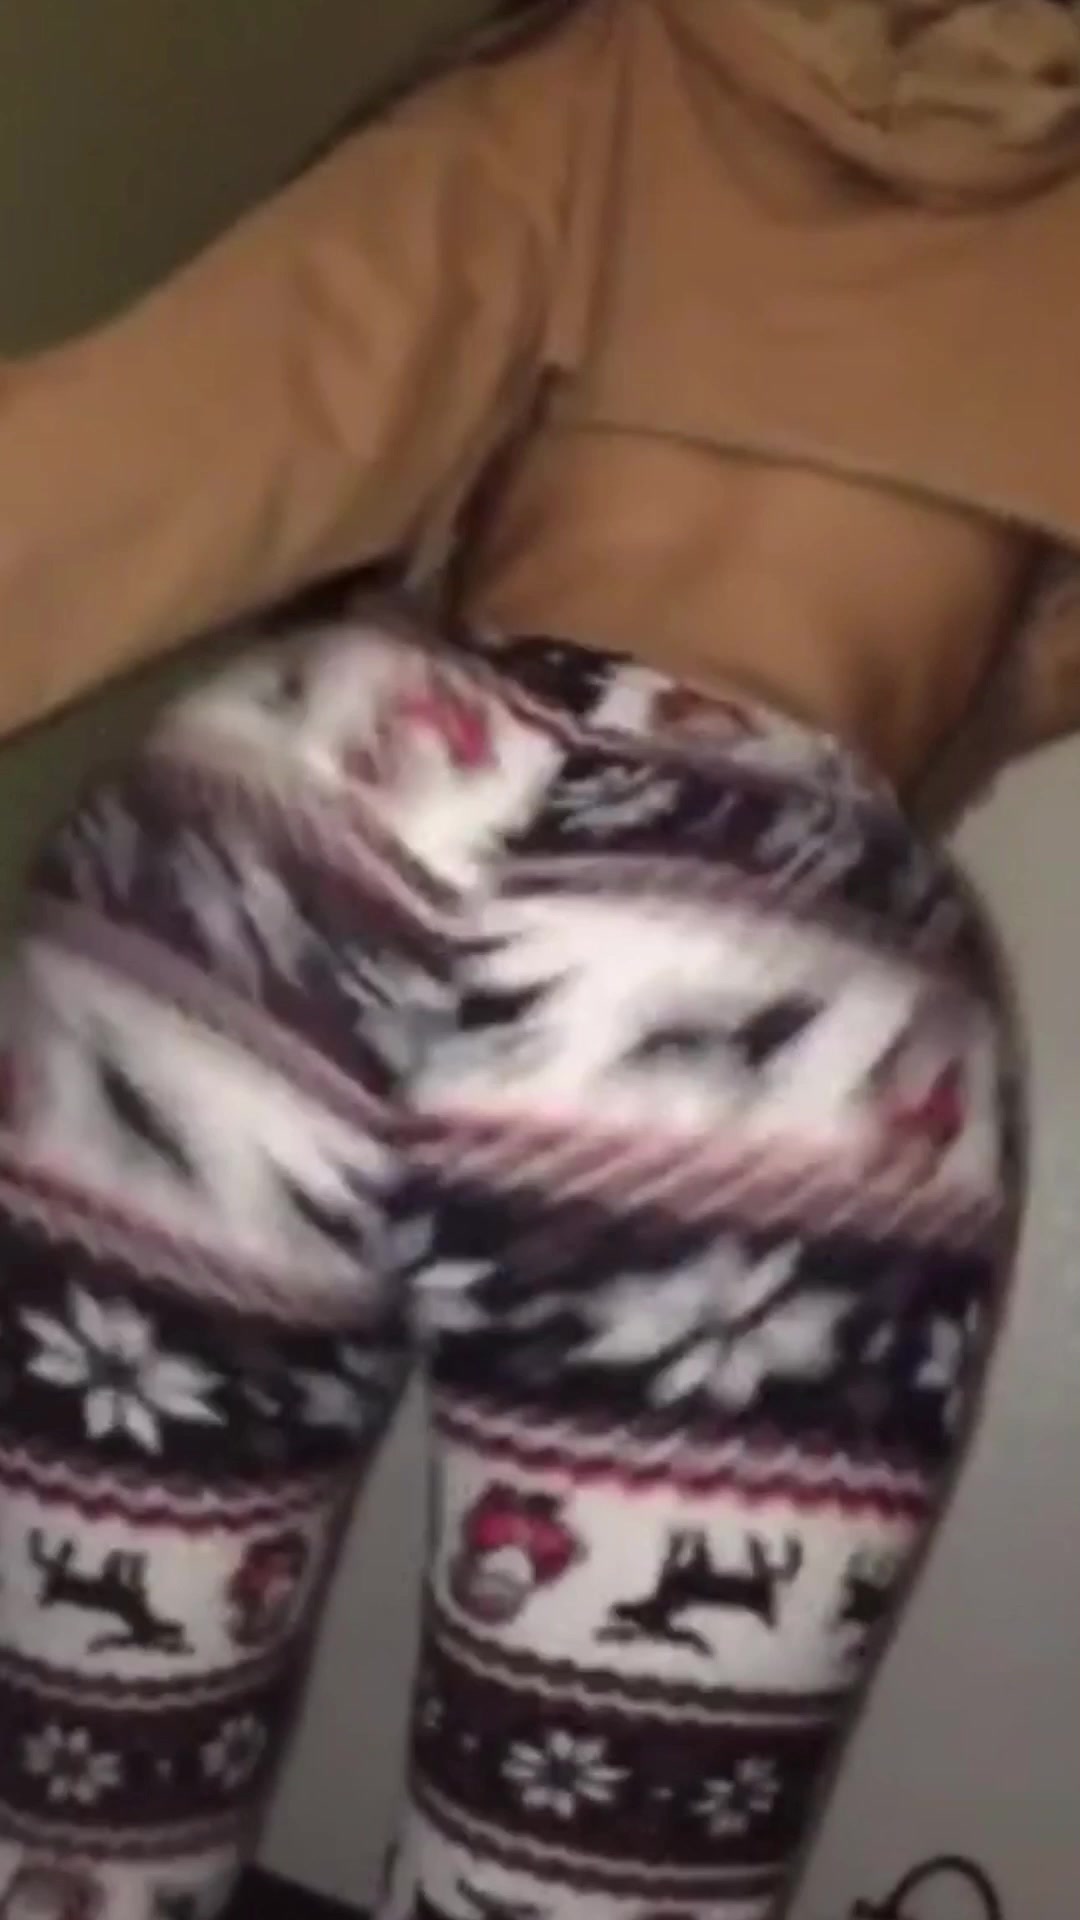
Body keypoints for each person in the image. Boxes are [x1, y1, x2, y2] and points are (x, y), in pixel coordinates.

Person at [1, 1, 1077, 1915]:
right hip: (754, 975)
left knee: (48, 1813)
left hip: (293, 829)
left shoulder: (621, 67)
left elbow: (148, 450)